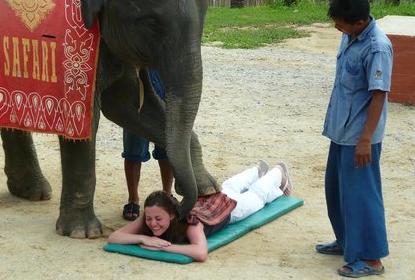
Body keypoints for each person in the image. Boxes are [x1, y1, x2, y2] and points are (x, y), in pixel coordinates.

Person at [316, 0, 392, 278]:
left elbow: (379, 96)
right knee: (337, 191)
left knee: (362, 195)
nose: (337, 27)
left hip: (360, 137)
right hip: (341, 131)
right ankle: (347, 242)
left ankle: (371, 259)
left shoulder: (377, 47)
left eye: (341, 24)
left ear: (360, 23)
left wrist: (365, 141)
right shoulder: (349, 36)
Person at [107, 160, 292, 261]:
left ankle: (278, 171)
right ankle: (257, 169)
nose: (153, 224)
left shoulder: (190, 223)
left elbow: (201, 252)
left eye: (158, 219)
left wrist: (164, 246)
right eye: (149, 219)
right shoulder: (150, 217)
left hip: (229, 210)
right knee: (228, 186)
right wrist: (143, 237)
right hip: (207, 200)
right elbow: (114, 238)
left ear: (172, 215)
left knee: (257, 196)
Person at [122, 69, 174, 221]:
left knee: (167, 148)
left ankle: (167, 194)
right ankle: (133, 199)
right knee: (133, 150)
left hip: (164, 82)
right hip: (136, 85)